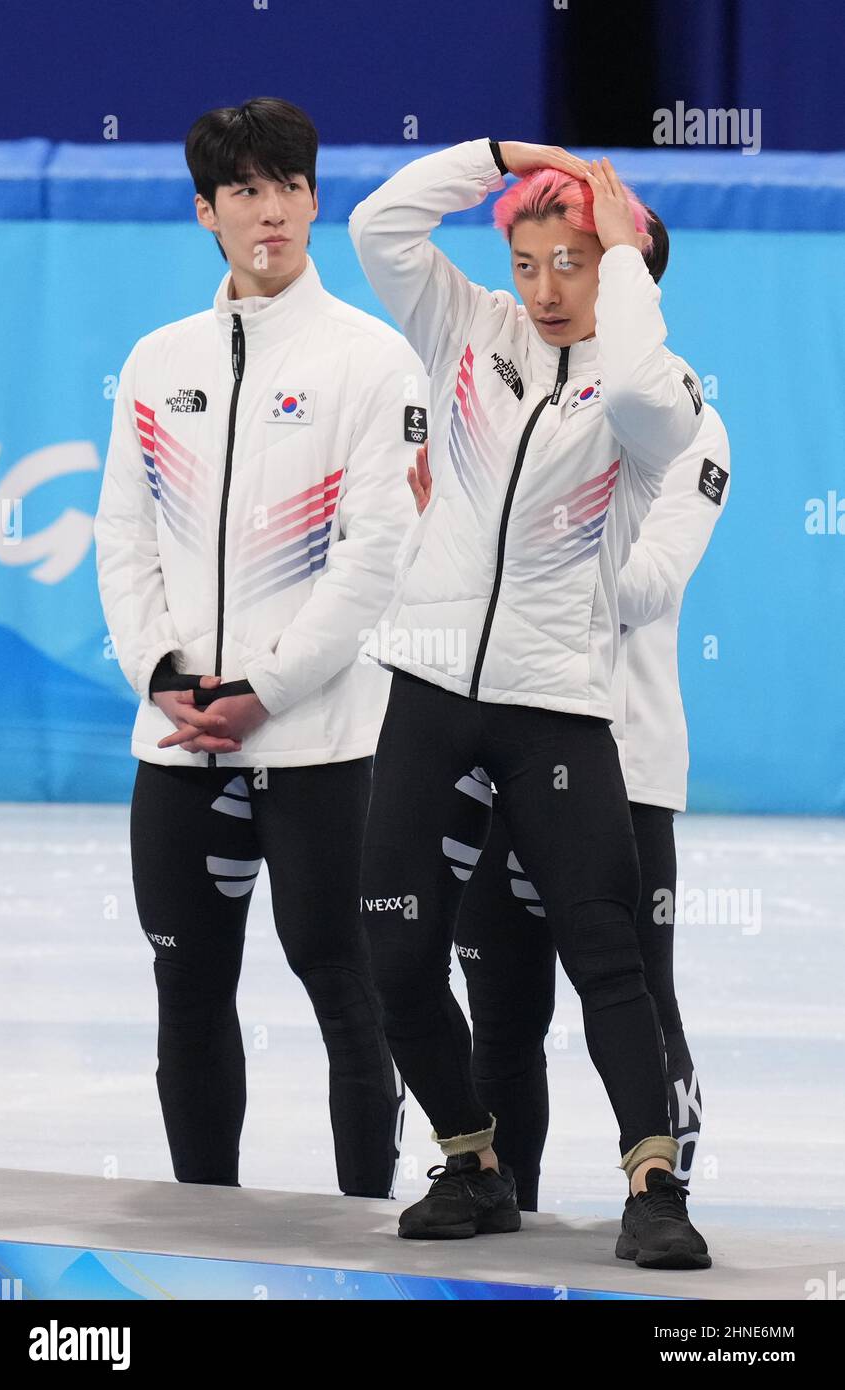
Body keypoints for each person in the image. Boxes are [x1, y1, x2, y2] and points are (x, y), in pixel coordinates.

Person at [349, 138, 711, 1267]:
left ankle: (652, 1185)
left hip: (555, 702)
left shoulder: (655, 390)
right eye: (527, 262)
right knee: (394, 949)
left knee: (604, 957)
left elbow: (649, 394)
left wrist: (620, 259)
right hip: (429, 684)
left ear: (610, 266)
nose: (547, 289)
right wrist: (498, 154)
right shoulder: (466, 329)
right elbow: (376, 228)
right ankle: (471, 1158)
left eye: (574, 262)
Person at [94, 97, 425, 1197]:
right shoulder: (155, 361)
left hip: (322, 740)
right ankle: (202, 1229)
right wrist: (166, 676)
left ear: (315, 200)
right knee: (186, 987)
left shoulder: (372, 362)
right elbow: (122, 532)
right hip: (179, 736)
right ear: (206, 211)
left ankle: (373, 1237)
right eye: (243, 189)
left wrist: (267, 688)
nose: (267, 209)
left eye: (286, 186)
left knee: (346, 983)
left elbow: (374, 559)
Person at [408, 394, 730, 1225]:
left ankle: (662, 1201)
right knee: (502, 1013)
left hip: (623, 760)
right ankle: (498, 1211)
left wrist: (499, 551)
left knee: (638, 995)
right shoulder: (507, 386)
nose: (553, 279)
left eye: (584, 259)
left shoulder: (685, 417)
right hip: (493, 751)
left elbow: (647, 587)